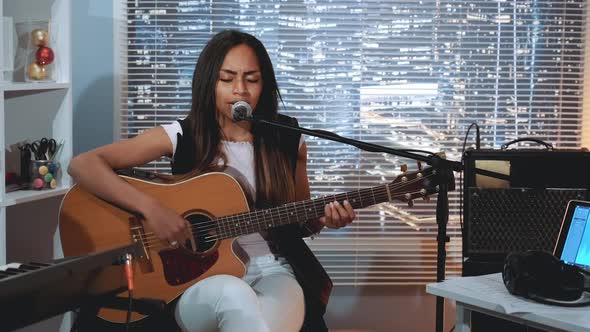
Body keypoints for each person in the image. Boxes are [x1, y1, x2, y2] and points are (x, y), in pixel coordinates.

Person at [68, 30, 356, 332]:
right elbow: (84, 164)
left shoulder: (288, 140)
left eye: (251, 79)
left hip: (273, 270)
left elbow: (299, 219)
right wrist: (152, 209)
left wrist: (323, 220)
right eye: (227, 78)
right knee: (235, 296)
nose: (240, 90)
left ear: (265, 84)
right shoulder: (182, 135)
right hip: (201, 277)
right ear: (209, 83)